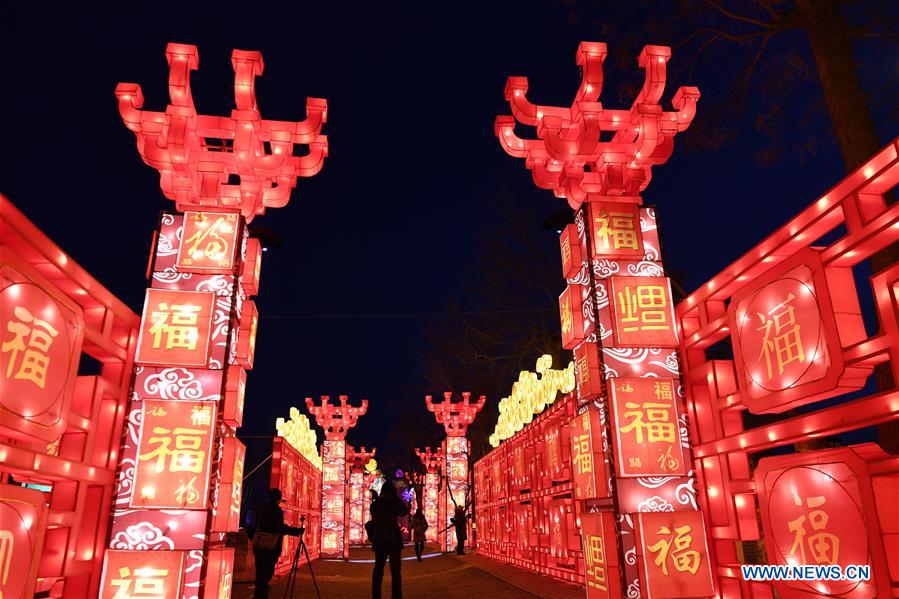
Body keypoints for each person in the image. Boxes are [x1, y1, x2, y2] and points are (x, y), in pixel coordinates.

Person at [248, 488, 302, 598]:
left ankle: (258, 595)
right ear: (278, 499)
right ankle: (261, 595)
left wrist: (253, 537)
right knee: (267, 572)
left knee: (260, 572)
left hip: (259, 545)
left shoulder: (261, 508)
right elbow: (280, 527)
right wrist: (296, 531)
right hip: (270, 547)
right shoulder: (276, 510)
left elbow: (252, 525)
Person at [369, 480, 409, 599]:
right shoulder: (394, 502)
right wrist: (396, 499)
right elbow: (404, 511)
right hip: (393, 540)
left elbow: (373, 514)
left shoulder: (376, 504)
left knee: (378, 570)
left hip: (380, 539)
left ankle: (376, 596)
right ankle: (396, 596)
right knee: (396, 572)